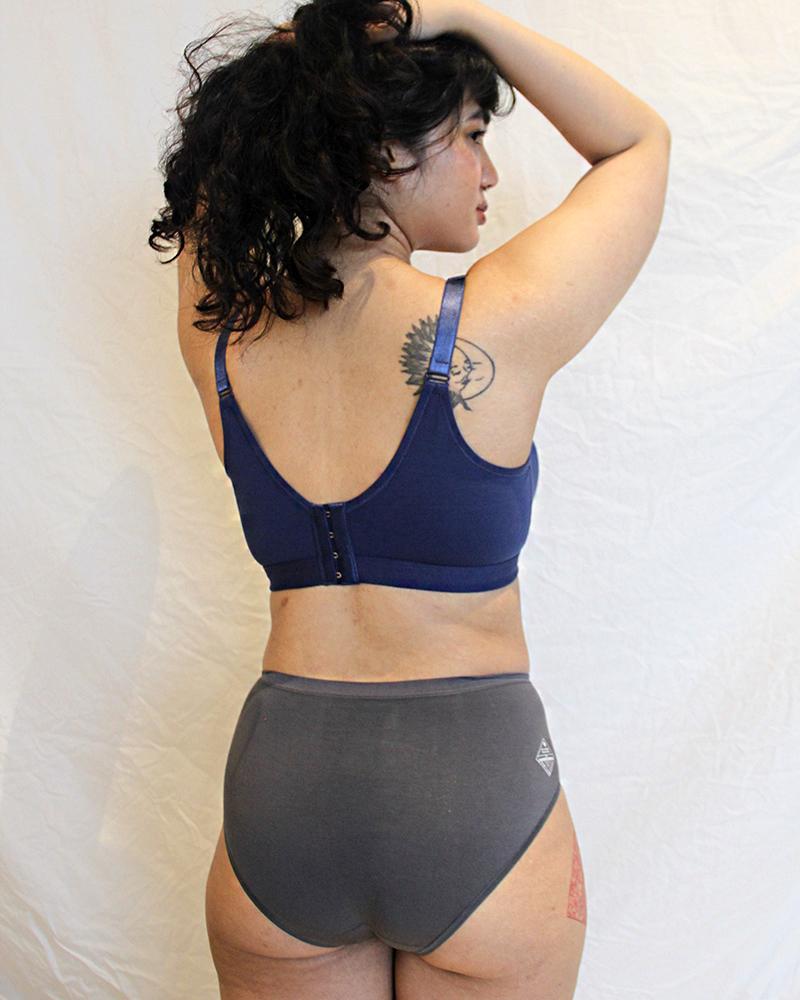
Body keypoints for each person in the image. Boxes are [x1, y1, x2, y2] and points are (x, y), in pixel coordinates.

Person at [152, 0, 670, 995]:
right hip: (472, 793)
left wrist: (309, 59)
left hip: (283, 795)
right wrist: (455, 15)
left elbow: (212, 172)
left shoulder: (220, 336)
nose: (488, 172)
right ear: (383, 149)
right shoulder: (496, 323)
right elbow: (635, 143)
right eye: (470, 135)